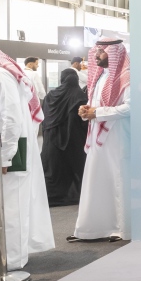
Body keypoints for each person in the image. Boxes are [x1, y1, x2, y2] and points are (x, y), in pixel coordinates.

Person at [0, 45, 53, 269]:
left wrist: (6, 157)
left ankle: (12, 262)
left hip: (11, 148)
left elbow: (12, 118)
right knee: (1, 206)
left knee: (11, 206)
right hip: (0, 148)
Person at [69, 38, 130, 242]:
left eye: (102, 51)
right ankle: (93, 228)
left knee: (117, 179)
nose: (97, 55)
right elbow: (94, 104)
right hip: (97, 135)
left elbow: (131, 107)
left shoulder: (127, 76)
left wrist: (98, 112)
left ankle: (121, 228)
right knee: (96, 180)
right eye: (96, 51)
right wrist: (85, 109)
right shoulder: (100, 76)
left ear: (114, 53)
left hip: (118, 136)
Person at [41, 68, 88, 206]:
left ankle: (50, 196)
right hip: (74, 141)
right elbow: (84, 121)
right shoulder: (80, 96)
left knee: (52, 167)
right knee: (75, 166)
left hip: (51, 140)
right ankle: (74, 195)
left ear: (62, 79)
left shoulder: (51, 95)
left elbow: (45, 118)